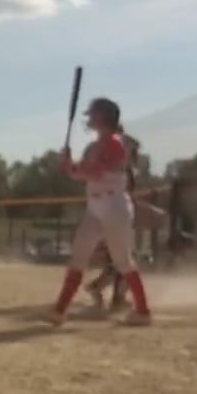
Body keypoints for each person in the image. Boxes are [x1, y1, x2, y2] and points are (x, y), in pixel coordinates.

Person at [48, 97, 151, 326]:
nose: (89, 118)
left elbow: (95, 172)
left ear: (104, 117)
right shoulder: (92, 147)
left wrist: (73, 166)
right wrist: (68, 164)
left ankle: (143, 311)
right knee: (79, 255)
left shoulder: (115, 144)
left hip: (115, 206)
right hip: (95, 206)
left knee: (123, 261)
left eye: (93, 114)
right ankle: (59, 310)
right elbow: (80, 173)